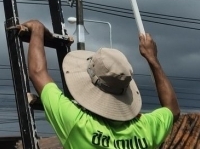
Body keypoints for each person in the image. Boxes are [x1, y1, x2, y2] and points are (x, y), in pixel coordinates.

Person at [21, 20, 180, 149]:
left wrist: (37, 29)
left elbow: (37, 73)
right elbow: (172, 111)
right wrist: (152, 59)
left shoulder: (77, 122)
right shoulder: (146, 129)